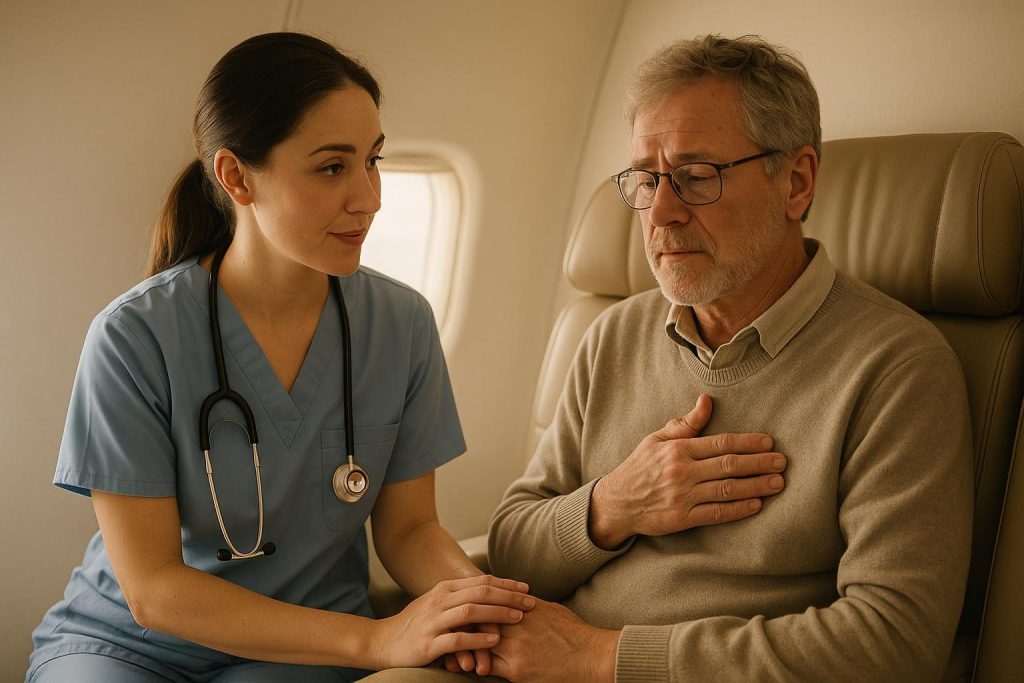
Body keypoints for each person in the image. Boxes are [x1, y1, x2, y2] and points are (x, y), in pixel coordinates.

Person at [368, 34, 973, 682]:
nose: (660, 212)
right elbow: (513, 543)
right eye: (646, 179)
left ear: (796, 183)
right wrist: (612, 506)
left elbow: (894, 642)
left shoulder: (896, 368)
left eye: (695, 177)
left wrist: (602, 657)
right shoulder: (613, 334)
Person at [26, 32, 534, 683]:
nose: (370, 197)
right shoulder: (134, 337)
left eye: (373, 161)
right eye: (331, 167)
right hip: (128, 644)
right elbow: (152, 589)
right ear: (237, 176)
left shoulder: (401, 324)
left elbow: (408, 530)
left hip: (304, 640)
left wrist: (475, 606)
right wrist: (376, 641)